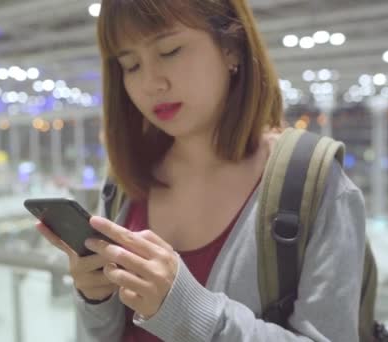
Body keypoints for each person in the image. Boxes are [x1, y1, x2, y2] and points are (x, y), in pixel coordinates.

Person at [37, 0, 366, 341]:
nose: (151, 83)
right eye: (130, 65)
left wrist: (186, 309)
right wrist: (95, 297)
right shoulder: (126, 179)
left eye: (170, 51)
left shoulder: (312, 183)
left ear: (231, 49)